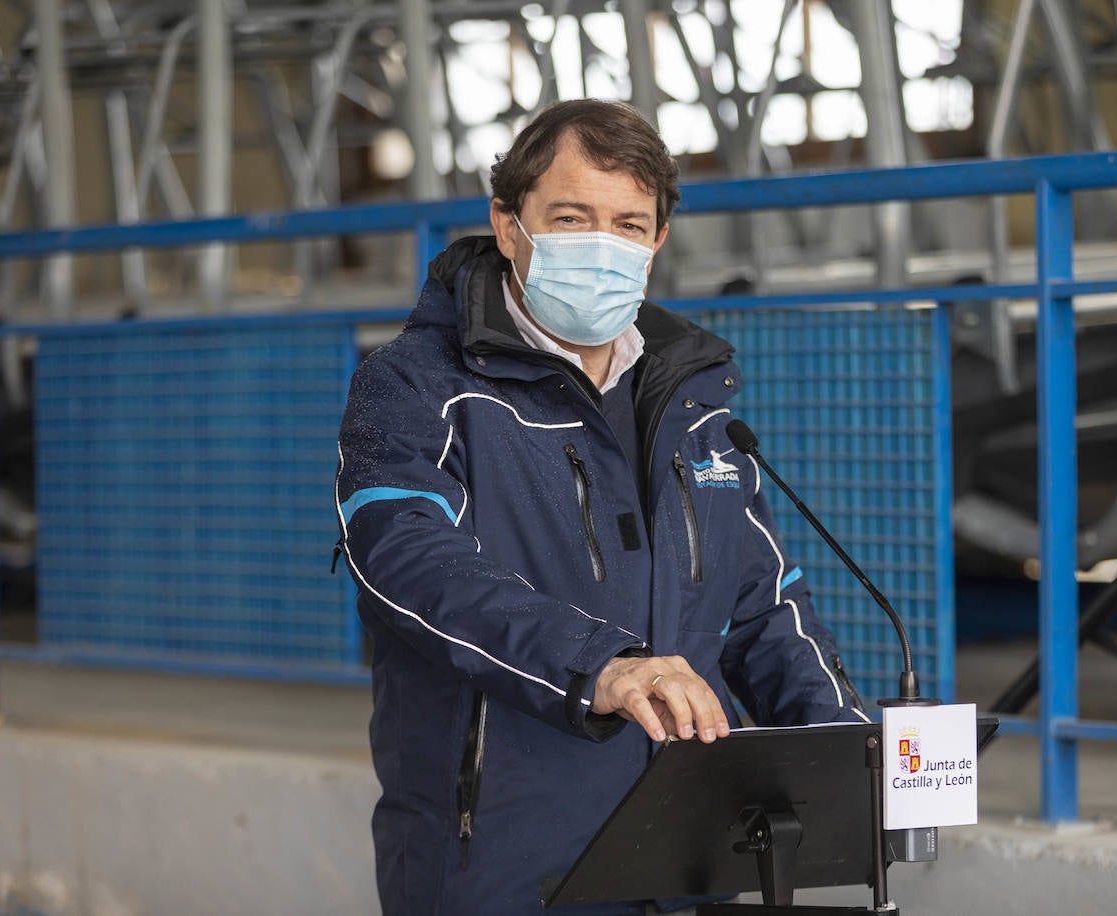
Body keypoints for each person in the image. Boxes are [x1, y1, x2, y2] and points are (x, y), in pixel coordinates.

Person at [335, 98, 868, 916]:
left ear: (657, 241)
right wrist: (600, 668)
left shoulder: (691, 403)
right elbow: (408, 563)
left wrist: (855, 758)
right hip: (501, 860)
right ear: (509, 225)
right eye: (572, 216)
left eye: (628, 223)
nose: (602, 244)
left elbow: (761, 608)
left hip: (690, 844)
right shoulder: (415, 385)